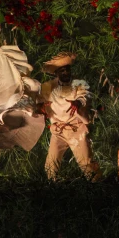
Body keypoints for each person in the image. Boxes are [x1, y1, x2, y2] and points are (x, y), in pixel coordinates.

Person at [34, 52, 101, 180]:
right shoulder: (48, 86)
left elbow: (85, 96)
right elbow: (37, 102)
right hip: (58, 130)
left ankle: (96, 187)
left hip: (76, 129)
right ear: (56, 73)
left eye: (67, 70)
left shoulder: (79, 83)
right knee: (51, 165)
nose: (65, 73)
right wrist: (39, 107)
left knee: (87, 163)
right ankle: (53, 189)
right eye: (62, 71)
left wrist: (78, 102)